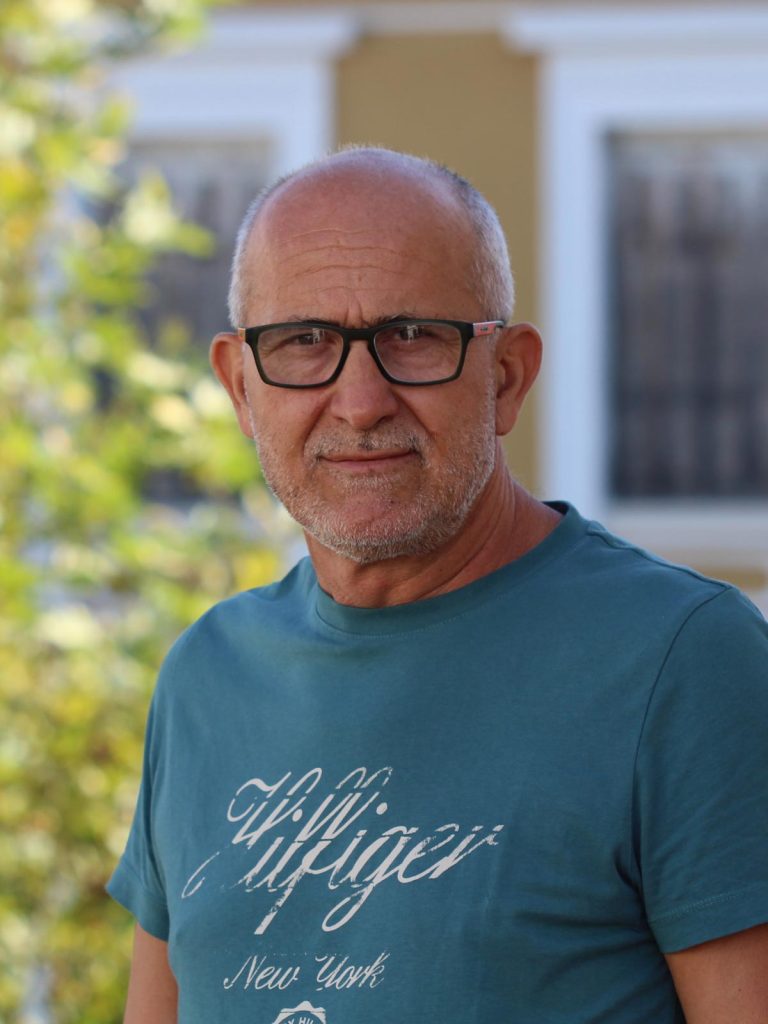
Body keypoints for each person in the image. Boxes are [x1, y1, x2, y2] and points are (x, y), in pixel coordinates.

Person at [108, 146, 768, 1024]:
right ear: (240, 387)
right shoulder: (207, 677)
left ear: (506, 377)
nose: (360, 402)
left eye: (412, 337)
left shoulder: (684, 660)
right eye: (304, 342)